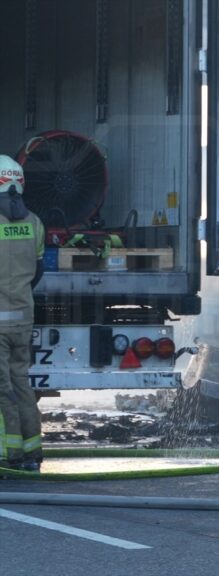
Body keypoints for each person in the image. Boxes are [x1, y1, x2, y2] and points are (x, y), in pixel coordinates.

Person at [0, 154, 45, 472]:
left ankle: (10, 454)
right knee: (21, 383)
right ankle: (32, 451)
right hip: (22, 316)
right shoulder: (35, 222)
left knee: (2, 389)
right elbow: (38, 270)